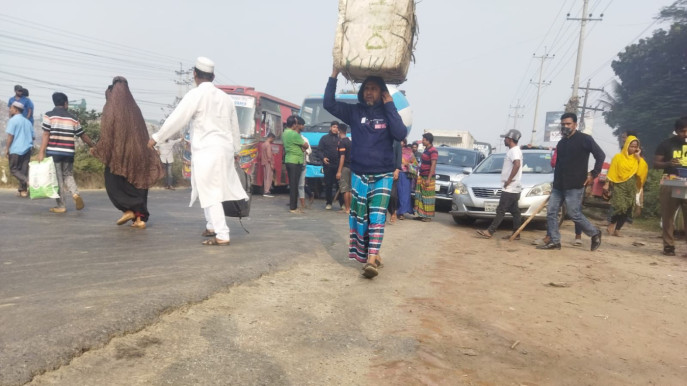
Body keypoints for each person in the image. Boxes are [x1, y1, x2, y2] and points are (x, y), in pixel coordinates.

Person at [147, 57, 248, 246]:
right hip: (224, 150)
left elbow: (177, 118)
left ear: (194, 74)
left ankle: (222, 233)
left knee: (211, 191)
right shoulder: (226, 98)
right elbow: (234, 127)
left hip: (208, 151)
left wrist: (156, 138)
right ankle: (211, 225)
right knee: (205, 188)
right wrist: (236, 149)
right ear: (213, 76)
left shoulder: (195, 95)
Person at [324, 67, 406, 278]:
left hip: (383, 175)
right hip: (359, 174)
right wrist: (334, 75)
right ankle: (373, 253)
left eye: (374, 89)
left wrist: (389, 105)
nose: (369, 92)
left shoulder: (388, 112)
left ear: (382, 92)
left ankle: (370, 261)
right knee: (361, 219)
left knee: (377, 218)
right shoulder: (355, 112)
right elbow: (329, 104)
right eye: (366, 88)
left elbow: (400, 133)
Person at [92, 77, 164, 229]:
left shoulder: (111, 108)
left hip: (119, 155)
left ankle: (130, 209)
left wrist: (99, 149)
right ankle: (140, 220)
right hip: (140, 153)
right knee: (138, 183)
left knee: (114, 183)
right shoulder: (134, 108)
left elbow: (107, 133)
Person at [536, 112, 604, 251]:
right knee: (551, 212)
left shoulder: (585, 139)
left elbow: (600, 156)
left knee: (574, 214)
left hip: (575, 184)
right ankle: (555, 241)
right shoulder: (561, 143)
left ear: (575, 124)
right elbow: (559, 164)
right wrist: (554, 183)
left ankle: (594, 233)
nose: (565, 126)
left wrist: (593, 174)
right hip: (559, 185)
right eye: (563, 124)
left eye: (568, 124)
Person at [38, 92, 95, 213]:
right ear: (65, 103)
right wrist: (92, 145)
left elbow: (46, 134)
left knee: (58, 179)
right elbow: (82, 135)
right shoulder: (73, 118)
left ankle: (61, 205)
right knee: (68, 175)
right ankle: (75, 194)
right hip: (68, 152)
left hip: (54, 152)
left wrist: (41, 152)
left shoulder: (49, 116)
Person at [476, 129, 523, 239]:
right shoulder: (515, 150)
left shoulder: (514, 151)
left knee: (501, 210)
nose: (504, 140)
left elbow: (517, 164)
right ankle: (516, 233)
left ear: (510, 139)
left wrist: (509, 180)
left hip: (510, 188)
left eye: (505, 138)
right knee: (515, 211)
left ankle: (490, 231)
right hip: (514, 187)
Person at [653, 117, 687, 256]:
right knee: (668, 216)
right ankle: (669, 246)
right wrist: (668, 163)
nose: (685, 134)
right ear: (676, 131)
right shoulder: (666, 144)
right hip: (671, 182)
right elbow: (656, 164)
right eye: (682, 131)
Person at [604, 135, 648, 237]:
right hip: (619, 186)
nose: (633, 148)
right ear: (626, 145)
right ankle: (612, 223)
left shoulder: (638, 159)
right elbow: (612, 172)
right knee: (620, 206)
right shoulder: (618, 157)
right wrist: (607, 183)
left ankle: (618, 230)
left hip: (632, 187)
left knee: (628, 208)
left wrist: (638, 159)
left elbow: (642, 172)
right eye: (631, 146)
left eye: (635, 147)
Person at [4, 101, 34, 197]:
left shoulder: (13, 120)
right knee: (23, 170)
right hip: (27, 149)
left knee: (14, 169)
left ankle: (28, 181)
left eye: (11, 108)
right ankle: (23, 190)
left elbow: (10, 136)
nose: (10, 110)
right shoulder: (28, 122)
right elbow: (33, 137)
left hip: (16, 149)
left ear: (16, 110)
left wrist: (7, 148)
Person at [283, 115, 309, 213]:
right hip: (295, 161)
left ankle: (293, 206)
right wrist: (303, 148)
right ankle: (293, 207)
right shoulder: (294, 134)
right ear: (294, 125)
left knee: (292, 184)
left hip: (288, 159)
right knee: (294, 185)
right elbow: (305, 145)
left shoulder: (285, 133)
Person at [415, 133, 438, 222]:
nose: (422, 141)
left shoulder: (433, 151)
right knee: (420, 195)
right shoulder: (426, 150)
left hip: (428, 177)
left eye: (424, 140)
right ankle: (421, 214)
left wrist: (428, 178)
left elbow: (433, 165)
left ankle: (427, 216)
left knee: (427, 196)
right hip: (422, 175)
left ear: (428, 141)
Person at [321, 121, 344, 209]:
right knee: (328, 184)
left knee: (340, 185)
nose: (335, 129)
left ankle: (342, 203)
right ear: (330, 128)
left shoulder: (341, 139)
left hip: (338, 165)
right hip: (328, 165)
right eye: (334, 127)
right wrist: (323, 158)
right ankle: (328, 203)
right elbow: (319, 150)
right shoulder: (324, 138)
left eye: (337, 127)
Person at [397, 138, 417, 220]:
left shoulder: (409, 152)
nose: (401, 143)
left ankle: (401, 212)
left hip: (405, 175)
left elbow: (415, 164)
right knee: (397, 194)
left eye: (402, 141)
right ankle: (397, 211)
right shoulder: (394, 149)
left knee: (404, 195)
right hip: (396, 174)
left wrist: (407, 164)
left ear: (404, 142)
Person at [336, 123, 352, 214]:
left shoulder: (342, 142)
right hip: (352, 167)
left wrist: (339, 171)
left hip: (345, 167)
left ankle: (347, 208)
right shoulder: (350, 141)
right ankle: (351, 208)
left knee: (345, 189)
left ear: (339, 131)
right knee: (350, 189)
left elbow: (342, 157)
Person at [298, 117, 314, 211]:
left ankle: (309, 195)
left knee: (301, 183)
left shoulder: (304, 139)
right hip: (296, 162)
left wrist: (304, 151)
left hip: (303, 162)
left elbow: (309, 150)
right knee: (298, 183)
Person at [387, 140, 402, 224]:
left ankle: (393, 211)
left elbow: (399, 156)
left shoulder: (397, 142)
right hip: (381, 171)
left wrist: (397, 170)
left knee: (392, 195)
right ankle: (382, 216)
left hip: (393, 172)